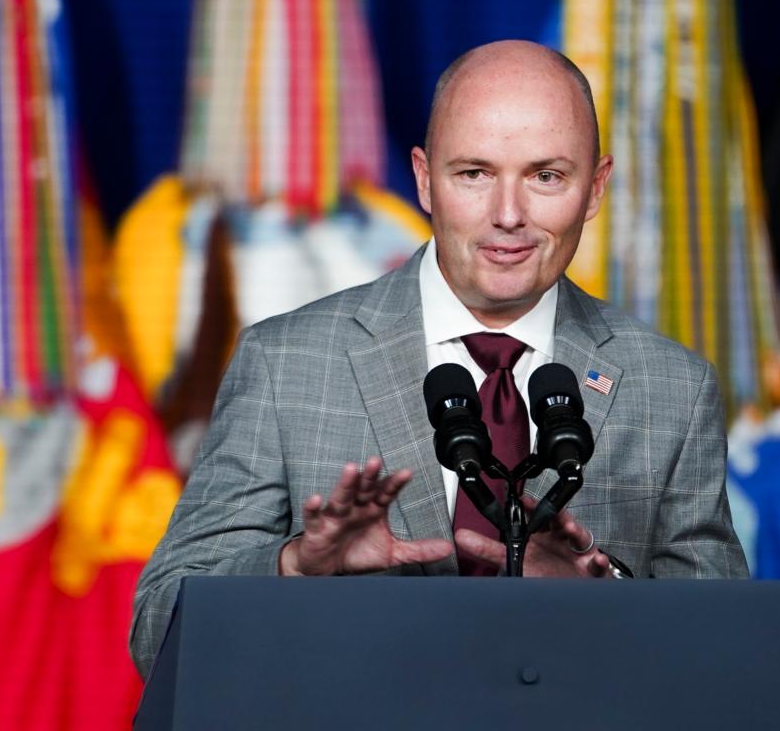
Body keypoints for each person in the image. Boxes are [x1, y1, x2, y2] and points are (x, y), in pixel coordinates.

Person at [130, 40, 748, 678]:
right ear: (425, 180)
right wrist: (294, 568)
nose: (508, 215)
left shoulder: (674, 388)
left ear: (594, 189)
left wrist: (609, 599)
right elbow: (157, 633)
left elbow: (730, 662)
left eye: (546, 176)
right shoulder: (285, 363)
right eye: (474, 174)